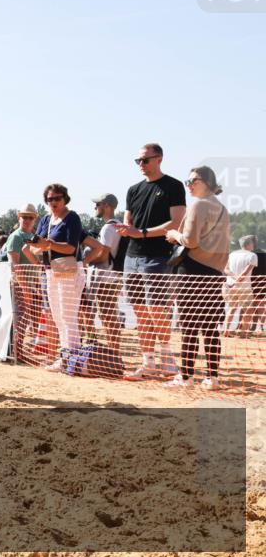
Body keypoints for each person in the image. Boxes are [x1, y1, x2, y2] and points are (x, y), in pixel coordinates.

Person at [115, 143, 186, 378]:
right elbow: (129, 221)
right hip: (132, 257)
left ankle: (167, 359)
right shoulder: (133, 190)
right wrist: (127, 230)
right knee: (140, 311)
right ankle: (148, 362)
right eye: (138, 161)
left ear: (159, 159)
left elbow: (176, 223)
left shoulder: (173, 186)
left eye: (145, 160)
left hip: (157, 256)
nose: (141, 165)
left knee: (157, 309)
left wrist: (141, 232)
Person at [165, 166, 230, 389]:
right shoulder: (221, 207)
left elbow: (190, 241)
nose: (189, 185)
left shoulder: (199, 205)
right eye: (188, 181)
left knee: (189, 327)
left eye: (193, 180)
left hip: (192, 272)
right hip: (214, 274)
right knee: (211, 327)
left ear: (206, 182)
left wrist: (174, 234)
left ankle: (185, 377)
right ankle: (212, 377)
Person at [34, 184, 85, 372]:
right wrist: (37, 245)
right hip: (51, 271)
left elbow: (71, 247)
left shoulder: (72, 218)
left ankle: (71, 358)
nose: (53, 202)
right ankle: (65, 357)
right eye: (50, 199)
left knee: (68, 315)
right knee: (56, 316)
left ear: (65, 198)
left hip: (70, 271)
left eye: (57, 198)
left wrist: (48, 244)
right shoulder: (46, 219)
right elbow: (36, 246)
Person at [82, 193, 123, 352]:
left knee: (107, 315)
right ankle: (114, 350)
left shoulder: (108, 228)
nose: (95, 207)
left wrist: (87, 260)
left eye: (98, 204)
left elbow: (104, 254)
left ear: (107, 206)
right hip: (114, 275)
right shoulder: (118, 224)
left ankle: (114, 352)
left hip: (106, 277)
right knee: (109, 313)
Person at [6, 204, 43, 361]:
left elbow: (36, 266)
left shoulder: (33, 237)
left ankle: (17, 351)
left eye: (30, 217)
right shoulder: (16, 237)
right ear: (19, 217)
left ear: (35, 219)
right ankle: (15, 352)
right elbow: (14, 265)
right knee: (19, 318)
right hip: (19, 284)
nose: (27, 220)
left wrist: (36, 285)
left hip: (30, 284)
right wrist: (25, 286)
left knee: (24, 319)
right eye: (24, 217)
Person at [223, 235, 259, 338]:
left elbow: (226, 269)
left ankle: (226, 330)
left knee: (232, 308)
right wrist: (239, 279)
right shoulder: (252, 256)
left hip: (230, 285)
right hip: (244, 287)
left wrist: (234, 278)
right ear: (248, 244)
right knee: (249, 310)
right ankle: (243, 332)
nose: (254, 244)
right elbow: (246, 272)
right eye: (252, 243)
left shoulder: (232, 254)